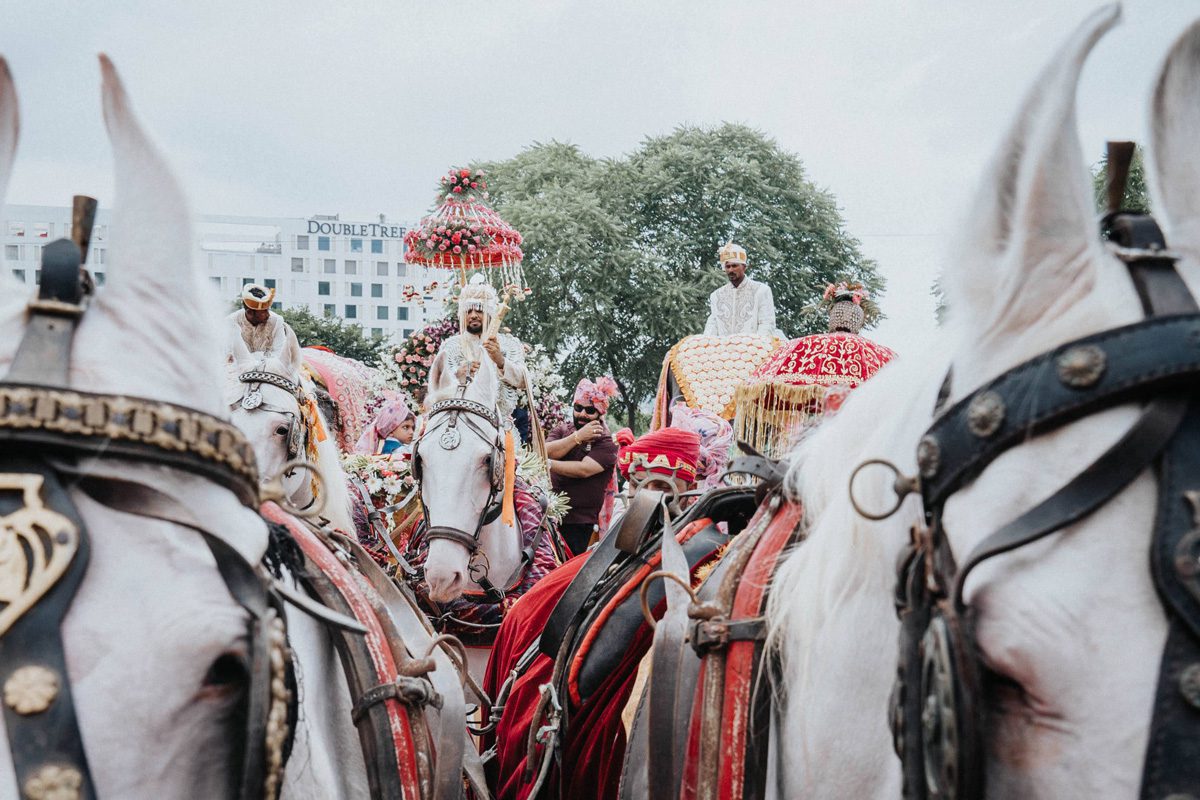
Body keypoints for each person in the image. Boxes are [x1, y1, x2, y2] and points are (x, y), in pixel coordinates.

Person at [428, 278, 528, 431]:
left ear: (489, 312)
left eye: (479, 310)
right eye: (468, 310)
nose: (473, 315)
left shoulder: (509, 344)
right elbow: (438, 387)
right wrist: (457, 375)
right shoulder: (450, 346)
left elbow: (523, 381)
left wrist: (500, 361)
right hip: (459, 427)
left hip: (501, 427)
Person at [546, 377, 621, 556]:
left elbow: (583, 470)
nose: (582, 414)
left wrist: (547, 464)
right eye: (578, 408)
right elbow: (545, 450)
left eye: (590, 410)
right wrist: (577, 437)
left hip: (579, 523)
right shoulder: (562, 430)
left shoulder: (607, 443)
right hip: (548, 515)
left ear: (600, 414)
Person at [702, 241, 778, 337]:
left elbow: (767, 324)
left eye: (734, 266)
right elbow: (712, 326)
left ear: (744, 267)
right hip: (724, 350)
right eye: (727, 266)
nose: (731, 270)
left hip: (754, 348)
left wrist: (755, 347)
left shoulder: (761, 290)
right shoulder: (716, 295)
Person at [225, 283, 303, 367]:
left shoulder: (277, 321)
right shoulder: (231, 322)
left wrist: (250, 359)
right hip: (237, 374)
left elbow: (279, 355)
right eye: (264, 312)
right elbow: (228, 357)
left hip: (270, 371)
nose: (268, 315)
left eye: (267, 310)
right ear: (249, 312)